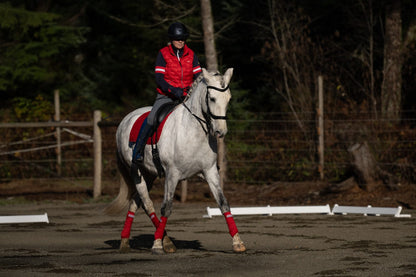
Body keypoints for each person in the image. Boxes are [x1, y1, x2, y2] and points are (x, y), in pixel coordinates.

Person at [132, 22, 202, 163]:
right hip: (166, 96)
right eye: (177, 39)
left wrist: (193, 90)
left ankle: (207, 158)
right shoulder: (163, 54)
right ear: (171, 39)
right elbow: (159, 78)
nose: (180, 41)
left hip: (187, 96)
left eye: (182, 38)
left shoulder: (191, 55)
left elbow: (198, 76)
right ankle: (137, 151)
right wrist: (173, 90)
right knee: (152, 118)